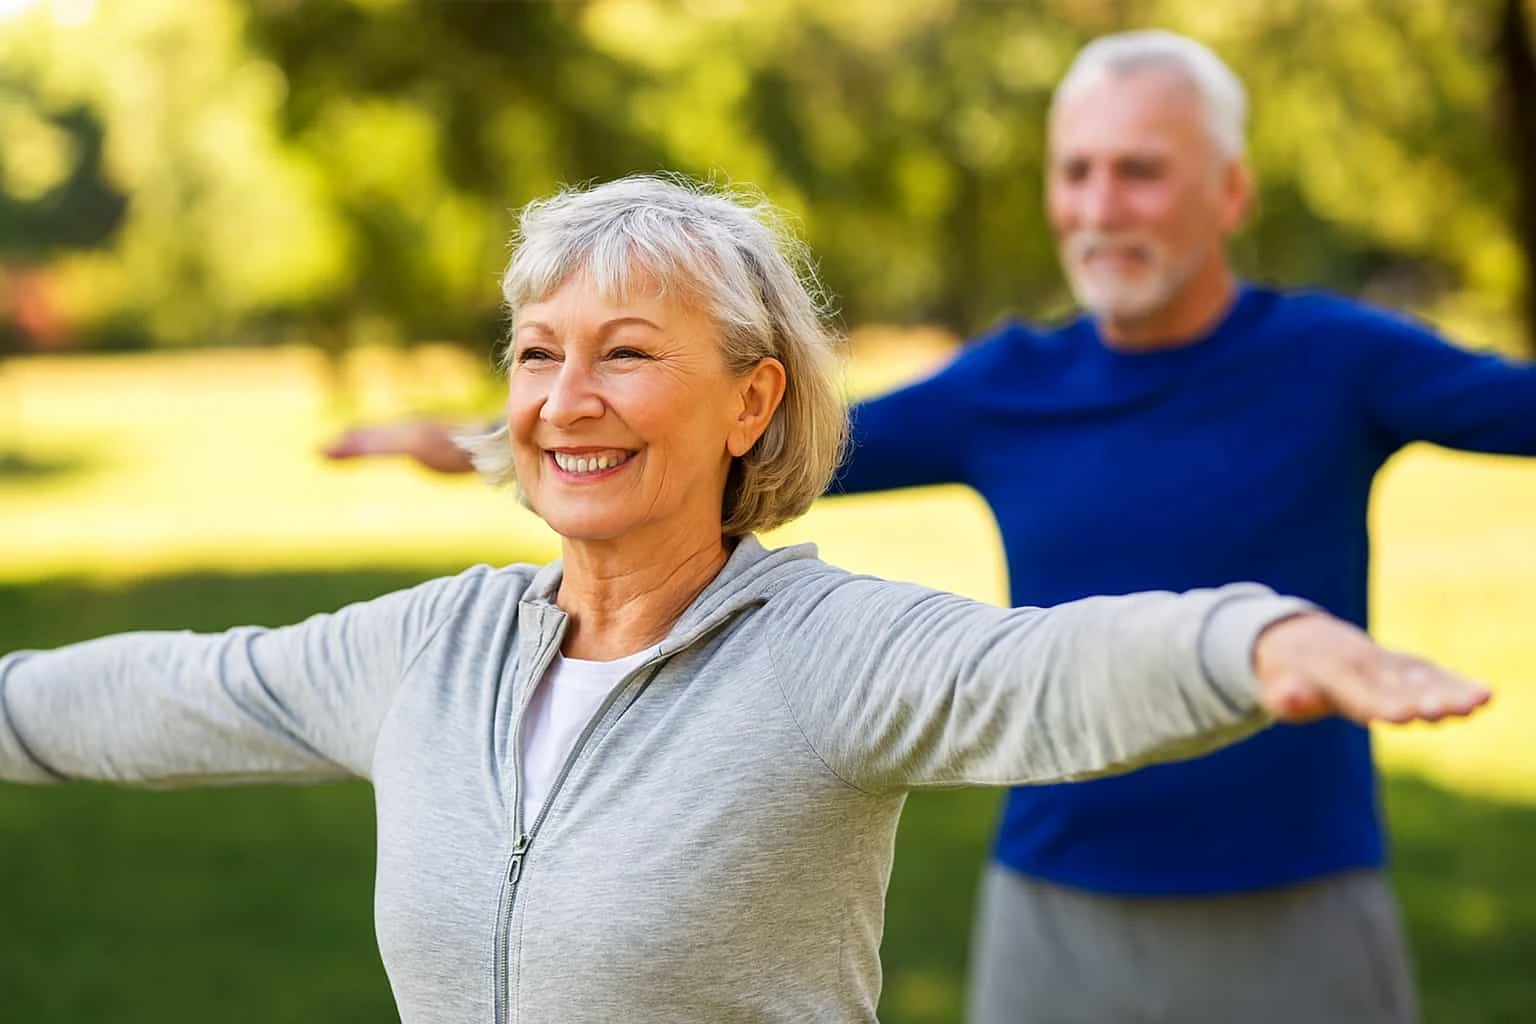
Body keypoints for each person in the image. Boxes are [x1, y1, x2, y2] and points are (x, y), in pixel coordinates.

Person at [0, 175, 1497, 1024]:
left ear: (749, 401)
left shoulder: (825, 654)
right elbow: (176, 688)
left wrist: (1259, 638)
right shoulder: (433, 645)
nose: (565, 399)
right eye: (536, 352)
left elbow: (1047, 670)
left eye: (627, 353)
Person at [324, 33, 1536, 1024]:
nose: (1100, 206)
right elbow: (744, 431)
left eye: (1142, 172)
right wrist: (502, 433)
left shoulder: (1339, 358)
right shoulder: (1010, 382)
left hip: (1297, 894)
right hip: (1057, 899)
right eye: (1076, 172)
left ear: (1229, 191)